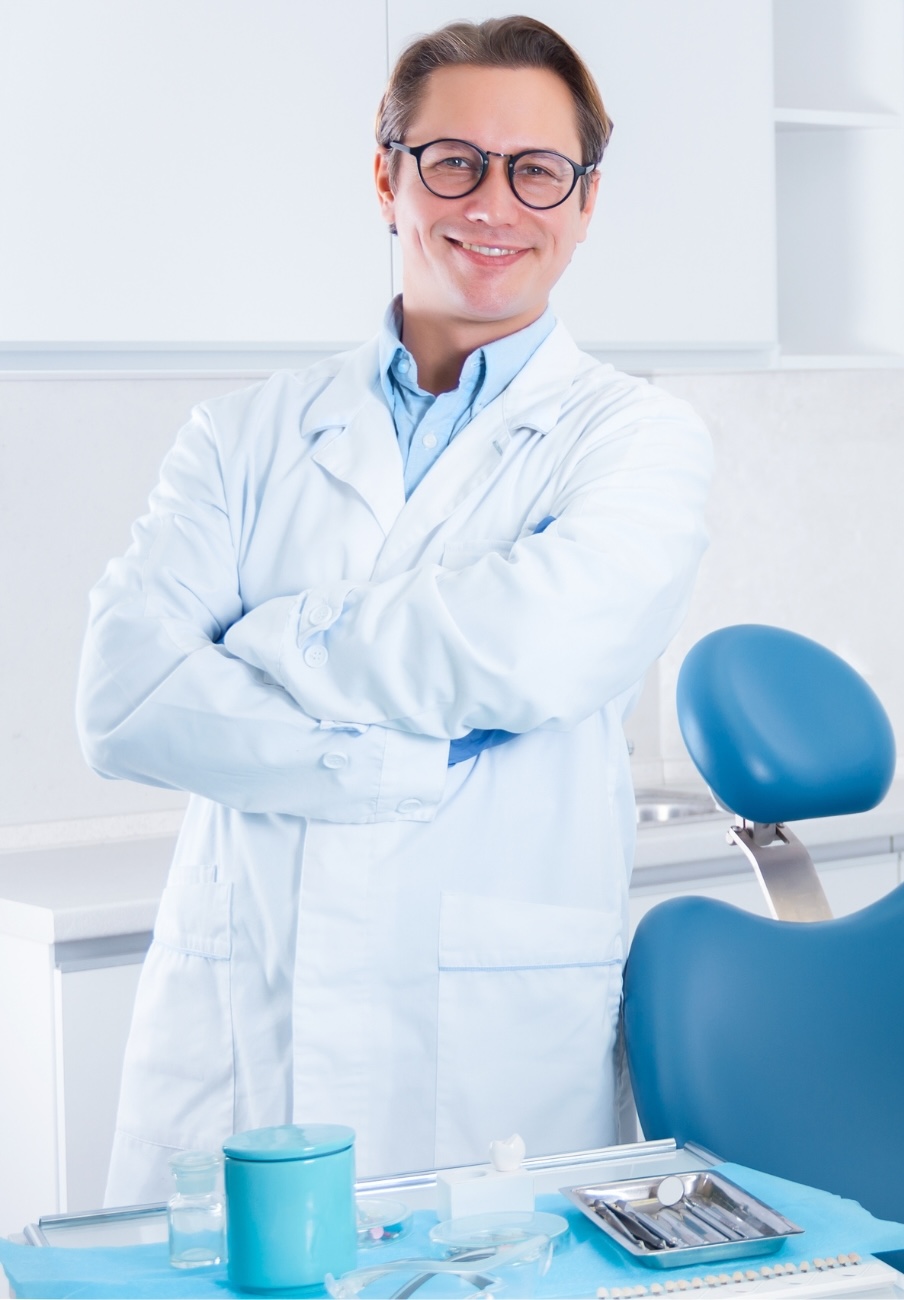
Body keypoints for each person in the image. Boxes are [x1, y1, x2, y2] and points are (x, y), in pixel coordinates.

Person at [77, 16, 712, 1206]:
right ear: (387, 177)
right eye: (453, 162)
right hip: (245, 1035)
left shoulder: (637, 439)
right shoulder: (240, 436)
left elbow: (537, 645)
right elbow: (123, 700)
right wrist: (393, 763)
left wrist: (266, 634)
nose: (493, 204)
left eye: (537, 170)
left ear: (584, 202)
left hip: (488, 1066)